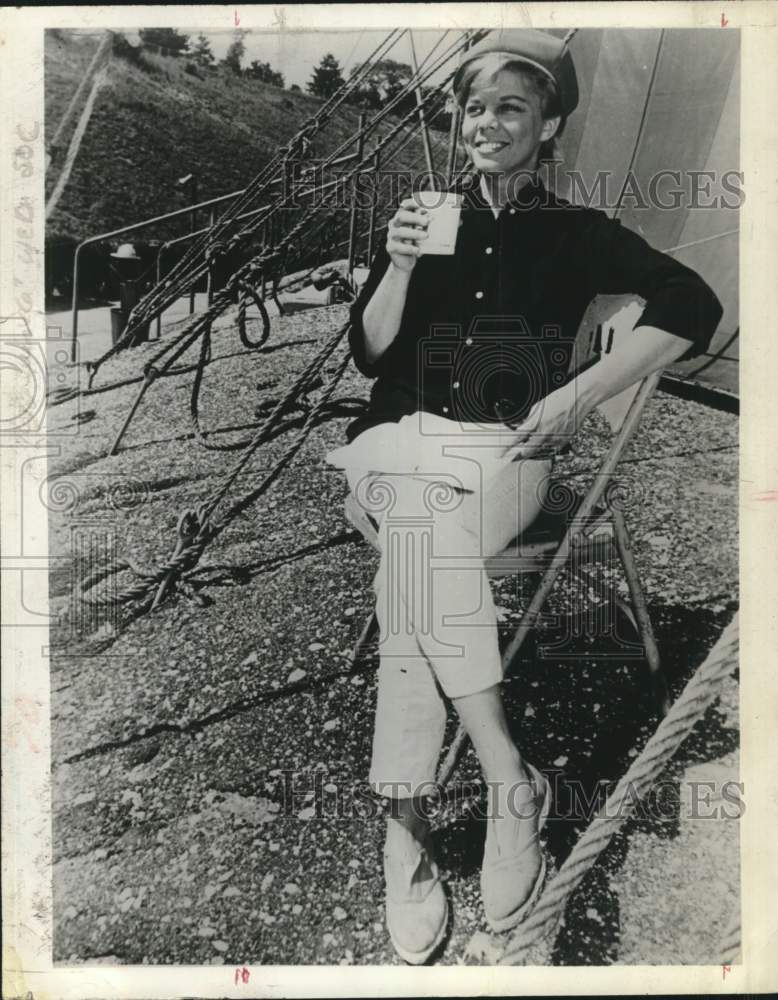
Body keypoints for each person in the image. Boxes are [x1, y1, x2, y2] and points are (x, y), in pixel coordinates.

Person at [326, 28, 723, 964]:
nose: (488, 123)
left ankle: (406, 826)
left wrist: (579, 394)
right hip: (396, 443)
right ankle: (511, 782)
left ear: (548, 127)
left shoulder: (577, 233)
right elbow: (371, 356)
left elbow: (693, 304)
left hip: (504, 452)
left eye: (512, 106)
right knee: (423, 533)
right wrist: (399, 266)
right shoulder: (423, 219)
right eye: (475, 107)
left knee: (415, 552)